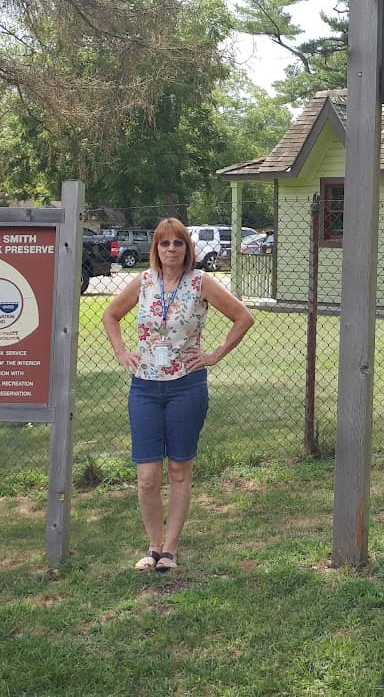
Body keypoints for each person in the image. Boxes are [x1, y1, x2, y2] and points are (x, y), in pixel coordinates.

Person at [102, 218, 253, 573]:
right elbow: (111, 315)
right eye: (164, 243)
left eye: (178, 243)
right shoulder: (144, 281)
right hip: (145, 387)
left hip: (186, 385)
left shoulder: (201, 283)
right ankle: (153, 546)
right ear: (155, 248)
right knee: (148, 475)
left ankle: (170, 549)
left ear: (187, 248)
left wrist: (216, 354)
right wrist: (122, 351)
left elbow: (242, 317)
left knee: (179, 469)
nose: (171, 249)